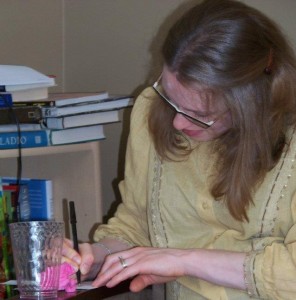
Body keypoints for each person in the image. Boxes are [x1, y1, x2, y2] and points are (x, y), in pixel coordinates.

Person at [63, 0, 296, 299]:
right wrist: (97, 257)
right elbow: (139, 224)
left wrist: (185, 260)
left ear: (250, 103)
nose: (176, 122)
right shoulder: (150, 110)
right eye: (170, 99)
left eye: (198, 113)